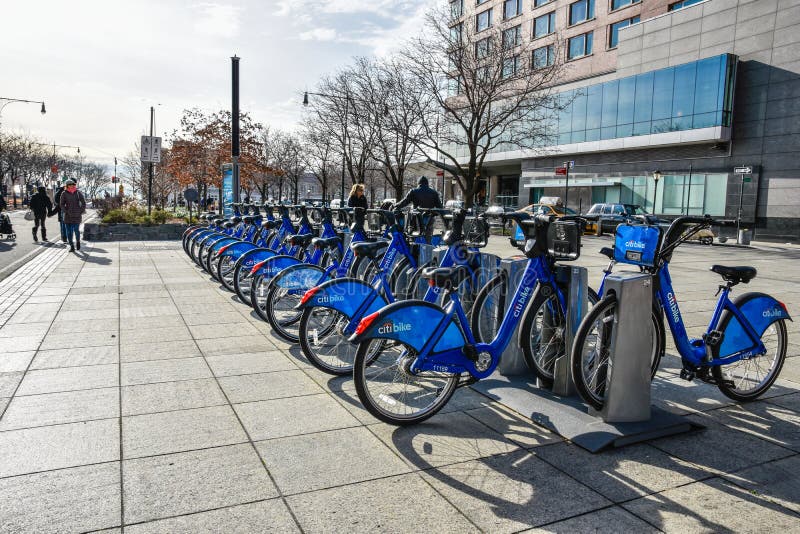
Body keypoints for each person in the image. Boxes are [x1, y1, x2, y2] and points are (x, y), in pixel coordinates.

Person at [394, 176, 443, 242]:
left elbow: (405, 202)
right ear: (427, 183)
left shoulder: (413, 191)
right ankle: (427, 247)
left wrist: (396, 206)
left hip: (416, 218)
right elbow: (440, 208)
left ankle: (415, 248)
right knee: (428, 235)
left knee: (414, 235)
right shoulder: (434, 193)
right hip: (429, 217)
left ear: (419, 183)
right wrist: (433, 213)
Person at [59, 179, 86, 252]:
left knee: (76, 230)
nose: (72, 186)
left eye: (73, 184)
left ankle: (78, 242)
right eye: (70, 184)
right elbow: (61, 204)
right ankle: (71, 246)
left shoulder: (78, 193)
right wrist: (65, 211)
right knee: (69, 232)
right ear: (67, 186)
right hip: (68, 216)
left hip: (77, 215)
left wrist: (80, 211)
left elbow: (83, 202)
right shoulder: (64, 193)